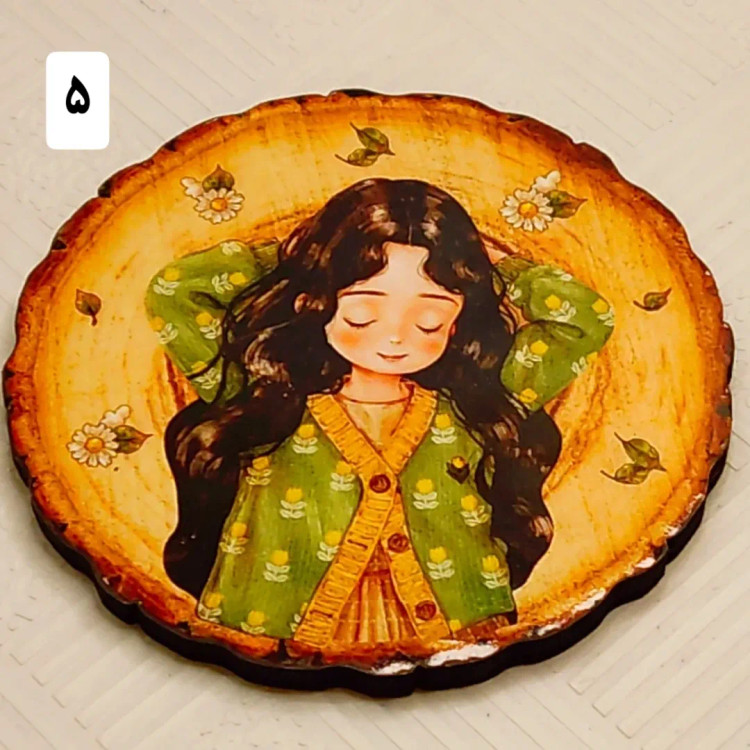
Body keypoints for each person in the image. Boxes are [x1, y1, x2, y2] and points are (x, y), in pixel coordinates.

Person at [145, 178, 614, 661]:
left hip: (456, 625)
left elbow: (586, 318)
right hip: (273, 624)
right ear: (316, 302)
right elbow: (174, 290)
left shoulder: (477, 405)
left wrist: (497, 267)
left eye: (428, 321)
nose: (395, 338)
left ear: (457, 320)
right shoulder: (261, 392)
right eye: (363, 315)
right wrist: (297, 256)